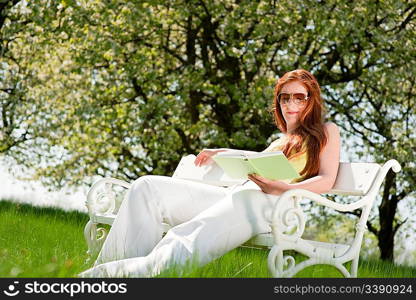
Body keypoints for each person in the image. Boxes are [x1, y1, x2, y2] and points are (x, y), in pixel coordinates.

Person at [78, 69, 340, 278]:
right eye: (285, 97)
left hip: (274, 205)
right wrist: (221, 152)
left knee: (190, 233)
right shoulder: (282, 139)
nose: (290, 103)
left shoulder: (327, 131)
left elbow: (327, 180)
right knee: (147, 188)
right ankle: (105, 277)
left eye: (299, 97)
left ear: (311, 100)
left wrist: (280, 189)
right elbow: (256, 161)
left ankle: (133, 276)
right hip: (243, 194)